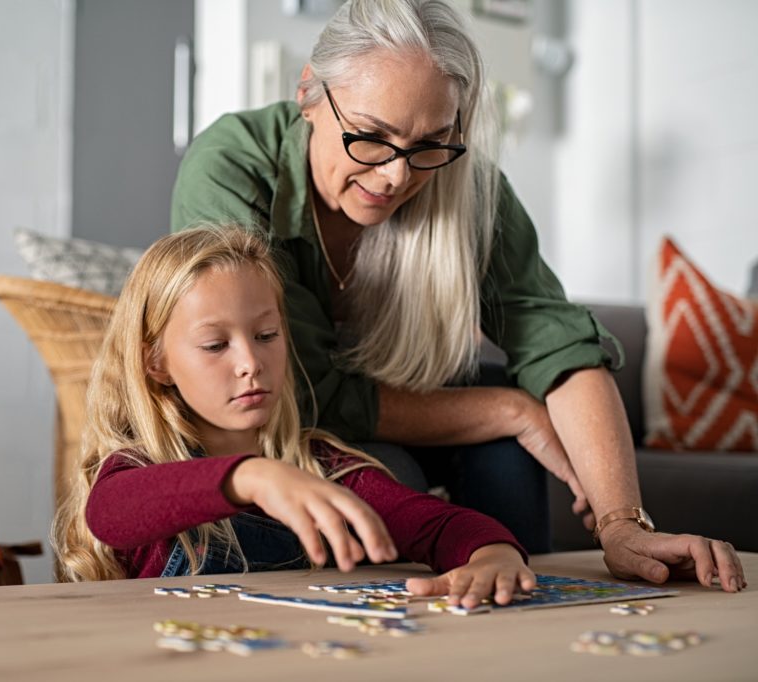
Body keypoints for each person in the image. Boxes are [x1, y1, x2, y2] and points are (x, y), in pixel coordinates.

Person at [171, 0, 746, 589]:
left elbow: (560, 347)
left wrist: (623, 524)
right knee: (393, 471)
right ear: (308, 95)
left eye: (430, 144)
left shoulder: (470, 189)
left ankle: (524, 617)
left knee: (505, 455)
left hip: (405, 403)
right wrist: (511, 411)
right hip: (287, 429)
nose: (398, 177)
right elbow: (298, 390)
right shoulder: (230, 167)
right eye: (370, 138)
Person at [52, 226, 537, 609]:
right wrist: (250, 477)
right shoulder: (136, 470)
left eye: (266, 335)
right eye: (216, 345)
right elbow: (109, 513)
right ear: (156, 362)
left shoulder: (323, 466)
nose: (250, 362)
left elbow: (435, 525)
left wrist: (493, 554)